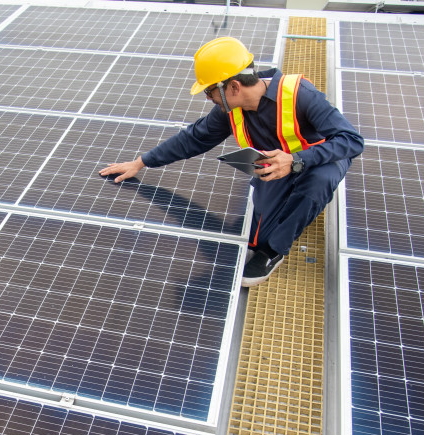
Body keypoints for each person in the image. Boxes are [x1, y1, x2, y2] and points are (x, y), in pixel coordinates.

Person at [99, 37, 364, 287]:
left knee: (314, 189)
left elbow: (352, 141)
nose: (208, 98)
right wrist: (141, 162)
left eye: (211, 91)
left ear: (234, 87)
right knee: (254, 238)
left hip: (320, 160)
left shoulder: (301, 95)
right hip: (274, 169)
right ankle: (281, 217)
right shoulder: (229, 110)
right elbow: (193, 138)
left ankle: (274, 252)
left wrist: (297, 160)